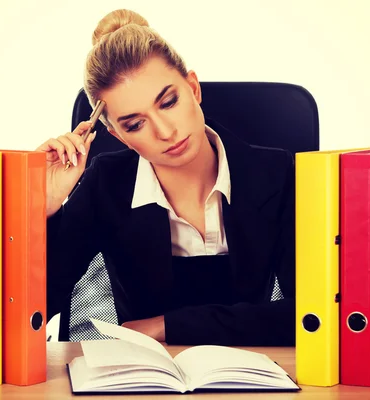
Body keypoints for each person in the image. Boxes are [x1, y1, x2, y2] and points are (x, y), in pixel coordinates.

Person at [38, 9, 295, 346]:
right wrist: (40, 208)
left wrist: (168, 326)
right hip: (144, 385)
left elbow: (309, 315)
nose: (165, 131)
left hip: (251, 378)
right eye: (135, 124)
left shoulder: (276, 175)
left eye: (169, 102)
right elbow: (38, 309)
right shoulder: (106, 185)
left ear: (193, 88)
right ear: (118, 136)